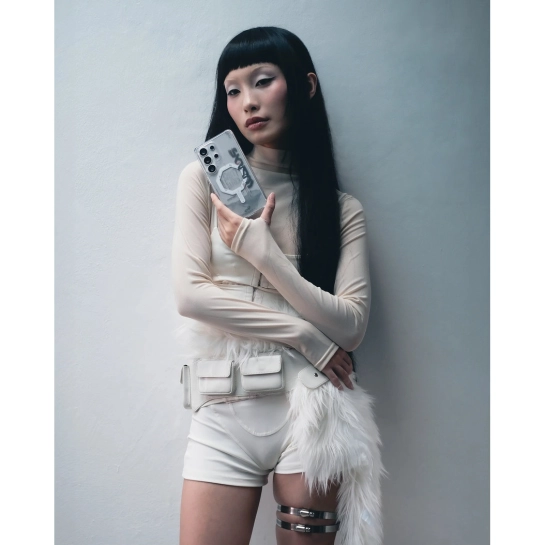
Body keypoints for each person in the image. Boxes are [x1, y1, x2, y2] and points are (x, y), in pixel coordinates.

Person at [171, 26, 384, 545]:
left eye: (262, 81)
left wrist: (264, 255)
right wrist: (305, 335)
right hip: (223, 406)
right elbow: (190, 295)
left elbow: (351, 327)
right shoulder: (201, 181)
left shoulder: (340, 209)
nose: (247, 101)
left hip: (314, 409)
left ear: (304, 86)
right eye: (233, 90)